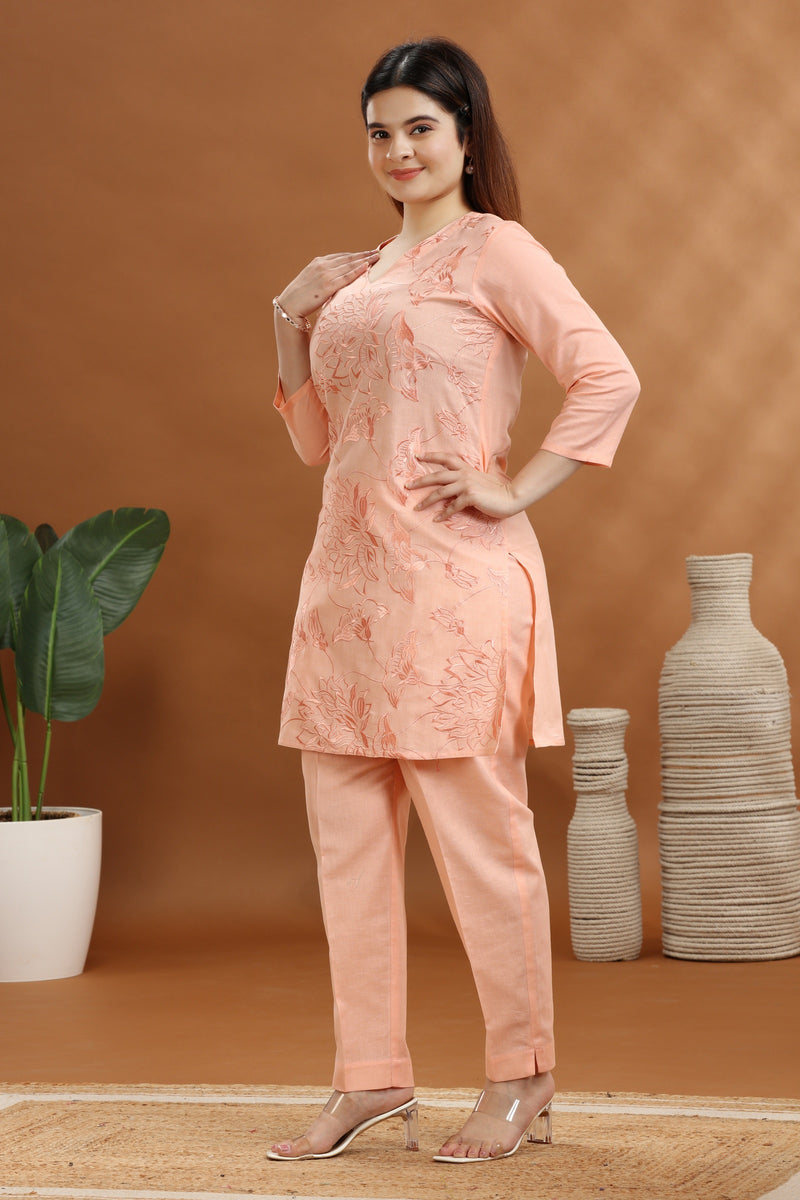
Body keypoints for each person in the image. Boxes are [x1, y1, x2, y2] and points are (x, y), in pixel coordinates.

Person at [268, 36, 639, 1164]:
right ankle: (370, 1079)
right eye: (379, 132)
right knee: (346, 850)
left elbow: (606, 373)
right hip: (344, 588)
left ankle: (521, 1074)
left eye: (419, 127)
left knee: (482, 844)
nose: (398, 150)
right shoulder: (356, 277)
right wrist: (288, 321)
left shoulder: (497, 250)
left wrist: (513, 486)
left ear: (466, 137)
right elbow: (319, 446)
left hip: (452, 587)